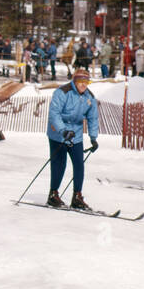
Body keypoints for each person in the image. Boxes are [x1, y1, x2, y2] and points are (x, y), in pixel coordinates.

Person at [46, 67, 99, 210]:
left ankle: (77, 196)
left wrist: (93, 138)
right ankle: (53, 194)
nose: (83, 84)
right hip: (58, 133)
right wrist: (63, 131)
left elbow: (93, 118)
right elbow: (54, 114)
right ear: (75, 81)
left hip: (75, 134)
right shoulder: (62, 92)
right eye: (80, 81)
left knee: (79, 164)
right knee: (60, 163)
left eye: (86, 81)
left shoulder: (89, 97)